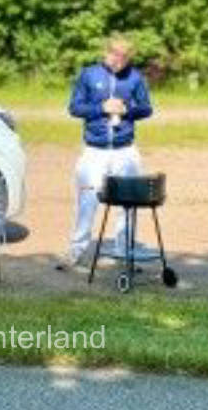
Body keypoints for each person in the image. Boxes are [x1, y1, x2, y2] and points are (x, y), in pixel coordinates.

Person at [61, 35, 153, 270]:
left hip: (125, 150)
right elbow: (74, 107)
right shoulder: (89, 74)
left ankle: (124, 252)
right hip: (95, 150)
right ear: (106, 52)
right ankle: (76, 250)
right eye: (115, 55)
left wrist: (127, 110)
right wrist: (101, 108)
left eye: (124, 57)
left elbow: (147, 108)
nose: (119, 61)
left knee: (128, 203)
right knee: (87, 199)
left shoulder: (135, 77)